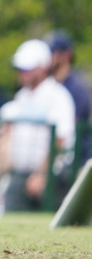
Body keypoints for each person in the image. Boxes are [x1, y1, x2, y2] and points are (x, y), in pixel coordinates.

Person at [0, 39, 76, 212]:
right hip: (18, 176)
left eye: (27, 69)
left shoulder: (58, 96)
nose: (22, 73)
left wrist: (41, 174)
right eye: (20, 69)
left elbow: (61, 139)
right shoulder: (21, 97)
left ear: (42, 68)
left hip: (50, 180)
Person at [46, 29, 91, 205]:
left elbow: (70, 130)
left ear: (66, 55)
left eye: (53, 52)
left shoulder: (76, 88)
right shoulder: (48, 84)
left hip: (77, 157)